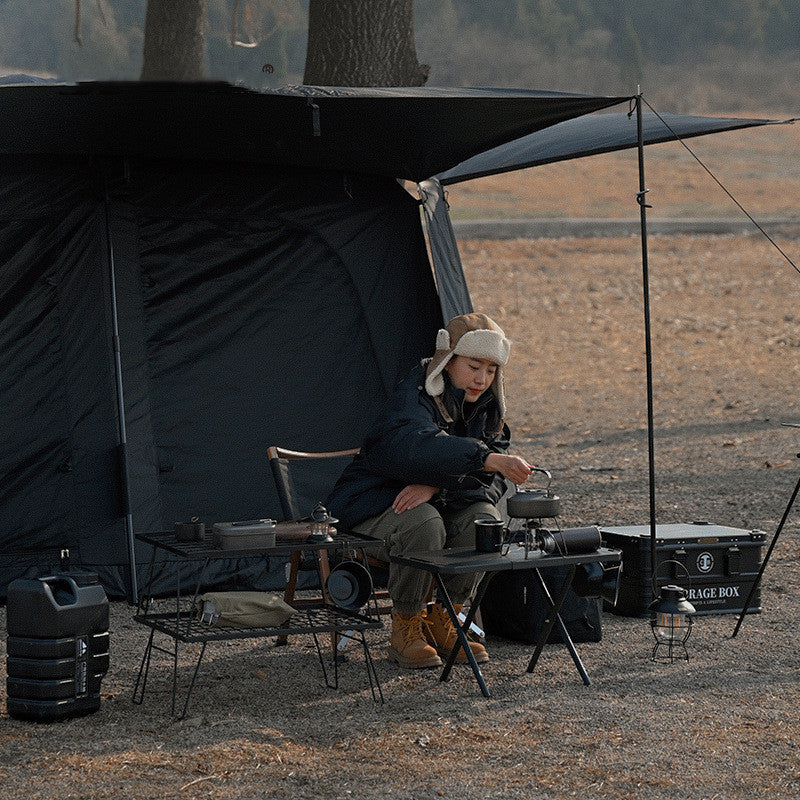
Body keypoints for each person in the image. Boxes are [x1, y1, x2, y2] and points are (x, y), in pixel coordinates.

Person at [326, 312, 533, 669]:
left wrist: (437, 485)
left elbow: (490, 484)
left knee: (483, 521)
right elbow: (412, 446)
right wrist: (483, 458)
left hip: (438, 501)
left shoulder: (486, 411)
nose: (481, 379)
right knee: (423, 523)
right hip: (374, 503)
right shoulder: (414, 396)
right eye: (473, 366)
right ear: (448, 360)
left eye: (491, 369)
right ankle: (406, 624)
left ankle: (446, 616)